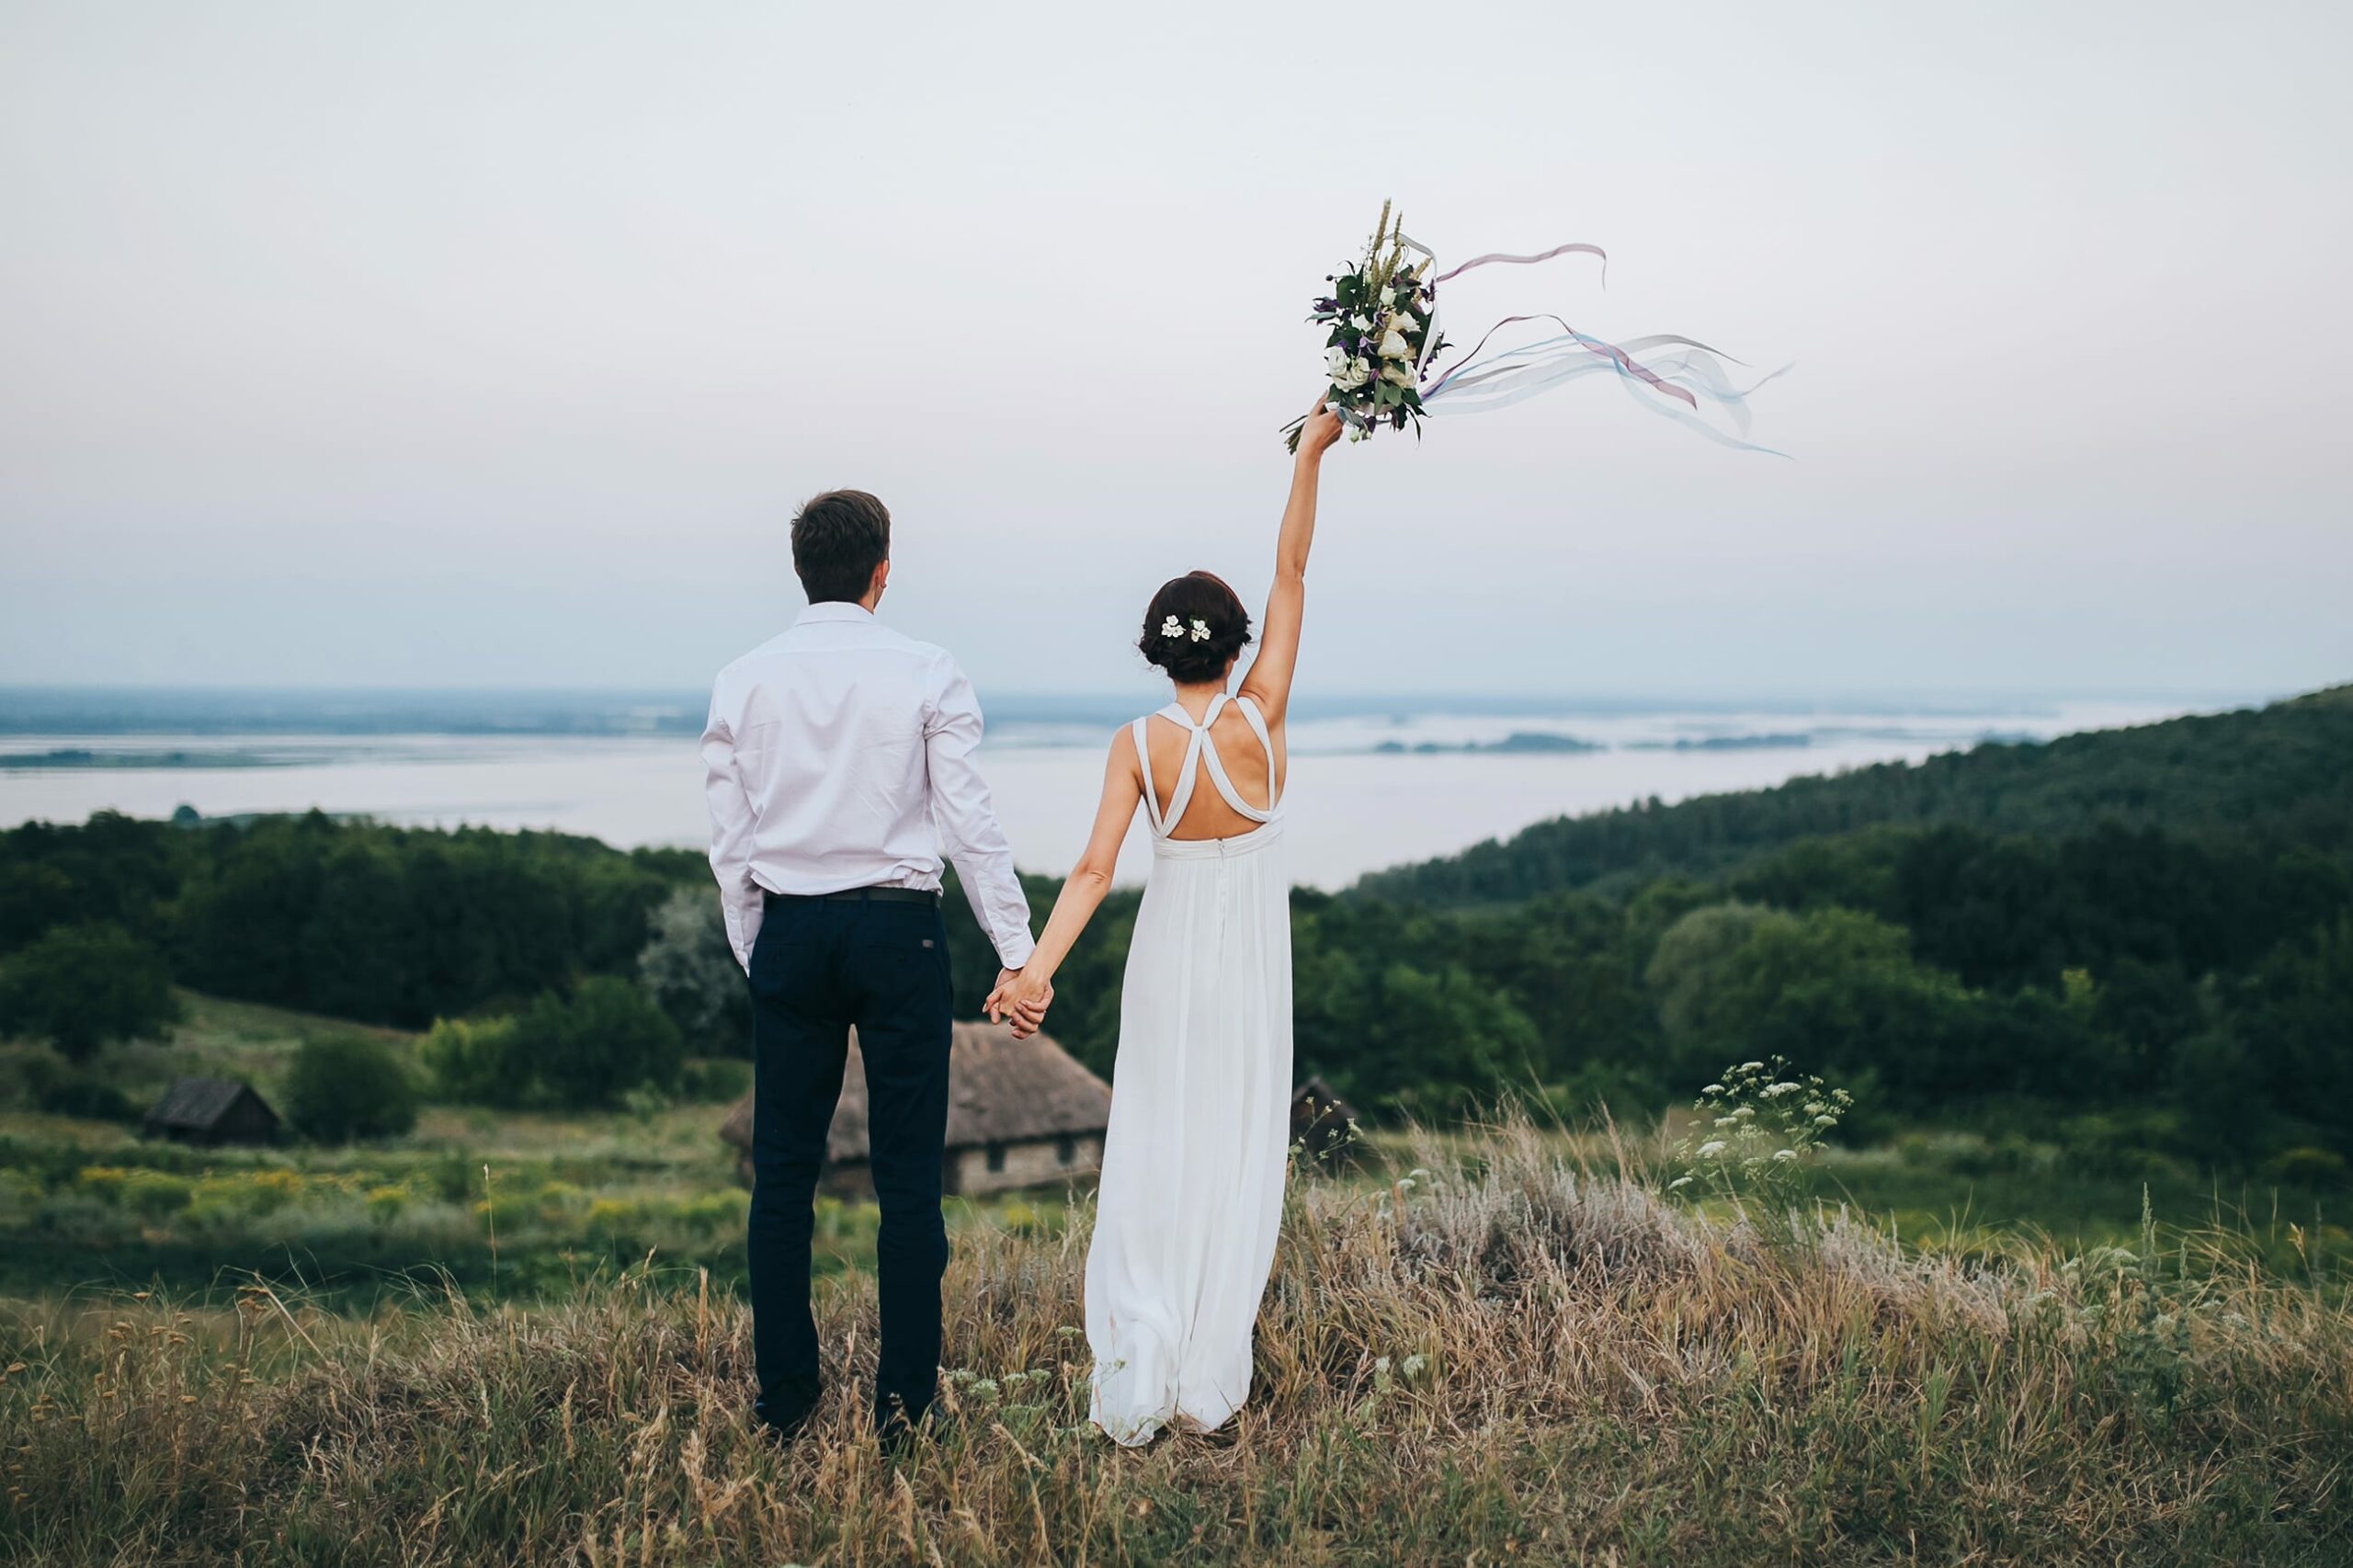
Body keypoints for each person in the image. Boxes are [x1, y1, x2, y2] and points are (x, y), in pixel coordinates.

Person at [986, 397, 1346, 1443]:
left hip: (1169, 956)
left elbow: (1096, 868)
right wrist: (1311, 454)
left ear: (1158, 651)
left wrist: (1035, 973)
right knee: (1234, 1147)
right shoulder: (1262, 717)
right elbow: (1290, 573)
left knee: (1156, 1142)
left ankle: (1145, 1344)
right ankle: (1206, 1366)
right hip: (1249, 970)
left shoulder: (1135, 744)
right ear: (1232, 645)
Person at [701, 488, 1047, 1450]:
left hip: (792, 935)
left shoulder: (742, 680)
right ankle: (905, 1407)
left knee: (782, 1178)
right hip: (900, 934)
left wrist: (757, 948)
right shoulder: (927, 671)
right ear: (881, 570)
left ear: (801, 569)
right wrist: (1017, 953)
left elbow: (730, 845)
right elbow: (968, 823)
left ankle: (785, 1401)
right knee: (907, 1179)